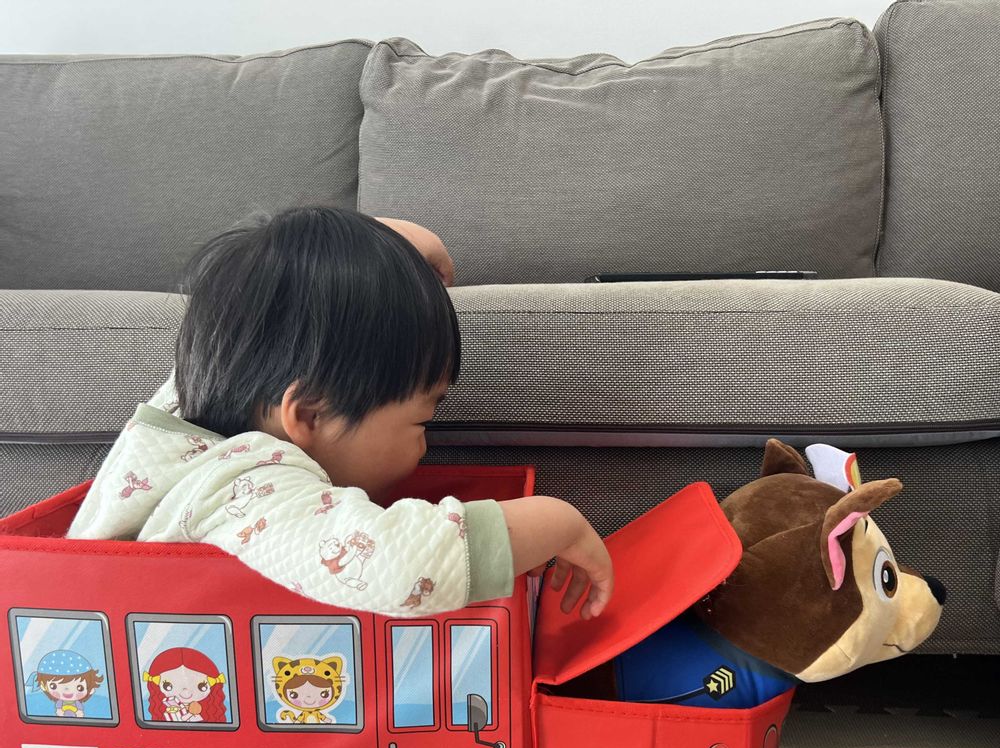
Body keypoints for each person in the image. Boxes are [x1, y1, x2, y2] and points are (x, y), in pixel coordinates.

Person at [67, 206, 613, 619]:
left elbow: (250, 313)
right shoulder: (248, 485)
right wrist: (556, 521)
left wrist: (388, 249)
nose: (426, 444)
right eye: (421, 422)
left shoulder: (182, 413)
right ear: (309, 416)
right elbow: (404, 568)